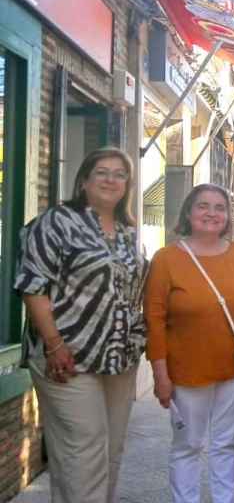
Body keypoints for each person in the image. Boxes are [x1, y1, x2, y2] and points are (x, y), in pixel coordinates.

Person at [15, 147, 147, 503]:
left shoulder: (127, 232)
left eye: (120, 174)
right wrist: (54, 344)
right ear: (84, 180)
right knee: (83, 452)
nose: (110, 179)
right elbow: (32, 286)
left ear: (128, 185)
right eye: (102, 172)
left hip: (119, 359)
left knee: (109, 452)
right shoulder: (56, 222)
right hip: (67, 357)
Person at [145, 183, 234, 503]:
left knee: (227, 444)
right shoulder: (166, 259)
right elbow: (154, 321)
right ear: (188, 212)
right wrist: (160, 374)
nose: (211, 213)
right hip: (186, 372)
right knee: (188, 445)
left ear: (227, 216)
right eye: (203, 206)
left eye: (219, 207)